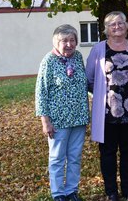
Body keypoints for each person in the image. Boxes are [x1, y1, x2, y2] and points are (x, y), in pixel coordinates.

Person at [85, 11, 128, 201]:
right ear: (106, 29)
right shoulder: (99, 49)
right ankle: (111, 191)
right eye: (112, 24)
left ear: (127, 26)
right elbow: (89, 78)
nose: (117, 27)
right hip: (107, 112)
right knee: (108, 152)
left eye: (121, 23)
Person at [35, 24, 89, 201]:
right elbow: (41, 92)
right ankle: (58, 194)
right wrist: (45, 121)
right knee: (57, 158)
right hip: (58, 120)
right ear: (56, 42)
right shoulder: (48, 61)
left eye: (72, 40)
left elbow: (84, 84)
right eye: (64, 40)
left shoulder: (78, 57)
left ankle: (71, 191)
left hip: (79, 117)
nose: (68, 44)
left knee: (74, 157)